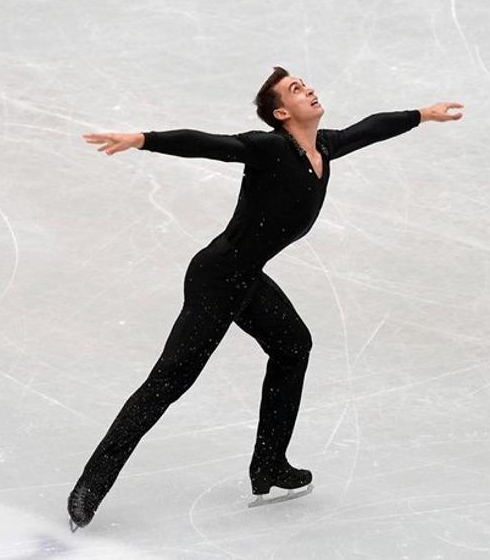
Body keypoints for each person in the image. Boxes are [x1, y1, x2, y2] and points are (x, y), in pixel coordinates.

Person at [67, 67, 464, 529]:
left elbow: (370, 128)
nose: (309, 89)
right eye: (296, 89)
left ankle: (269, 466)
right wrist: (142, 138)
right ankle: (91, 486)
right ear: (281, 112)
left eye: (305, 83)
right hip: (217, 278)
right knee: (169, 382)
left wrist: (422, 114)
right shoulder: (270, 148)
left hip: (246, 276)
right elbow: (210, 144)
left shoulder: (324, 148)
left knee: (293, 346)